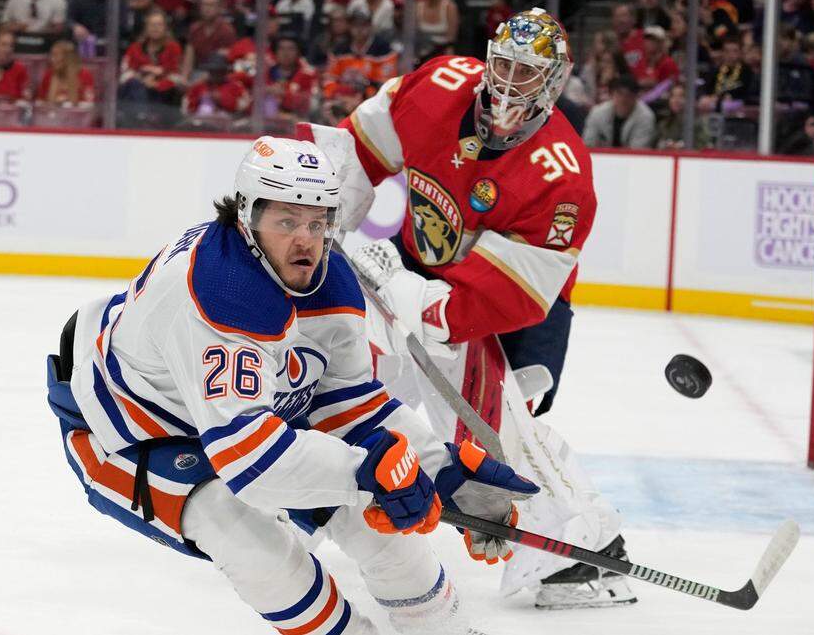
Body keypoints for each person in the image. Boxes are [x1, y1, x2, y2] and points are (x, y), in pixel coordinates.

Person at [46, 135, 540, 634]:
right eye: (286, 221)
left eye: (318, 222)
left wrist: (441, 468)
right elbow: (250, 464)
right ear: (246, 216)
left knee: (388, 537)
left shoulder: (331, 282)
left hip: (242, 419)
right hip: (131, 431)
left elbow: (350, 408)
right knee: (251, 543)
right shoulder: (220, 290)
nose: (306, 240)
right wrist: (373, 473)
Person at [298, 8, 633, 609]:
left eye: (527, 73)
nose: (507, 81)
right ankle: (314, 501)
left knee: (491, 428)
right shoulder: (441, 86)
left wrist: (403, 294)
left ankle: (582, 548)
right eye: (502, 64)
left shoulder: (561, 175)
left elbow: (497, 298)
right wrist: (318, 221)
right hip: (418, 270)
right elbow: (354, 152)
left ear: (554, 82)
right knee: (356, 384)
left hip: (517, 318)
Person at [583, 76, 656, 148]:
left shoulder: (645, 117)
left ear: (636, 97)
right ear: (612, 94)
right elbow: (588, 143)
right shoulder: (597, 112)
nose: (623, 99)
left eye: (629, 95)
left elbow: (638, 150)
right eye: (619, 93)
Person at [180, 0, 236, 82]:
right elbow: (188, 59)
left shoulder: (227, 30)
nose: (207, 9)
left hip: (218, 76)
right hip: (197, 72)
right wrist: (183, 78)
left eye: (211, 5)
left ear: (219, 8)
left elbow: (227, 62)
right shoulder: (194, 29)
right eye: (205, 5)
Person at [36, 39, 96, 106]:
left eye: (55, 55)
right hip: (52, 114)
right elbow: (40, 101)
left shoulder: (84, 75)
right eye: (51, 55)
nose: (52, 59)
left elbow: (89, 103)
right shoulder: (49, 74)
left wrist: (66, 102)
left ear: (68, 58)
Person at [1, 0, 67, 36]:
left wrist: (45, 30)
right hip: (19, 37)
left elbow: (59, 28)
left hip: (45, 38)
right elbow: (5, 25)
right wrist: (17, 27)